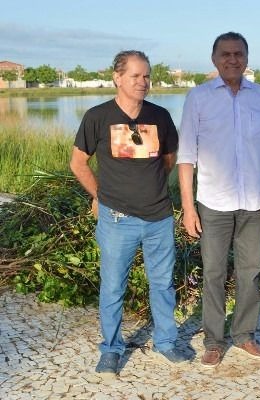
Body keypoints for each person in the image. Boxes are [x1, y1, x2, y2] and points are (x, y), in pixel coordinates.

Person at [69, 50, 188, 377]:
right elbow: (78, 163)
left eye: (146, 76)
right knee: (112, 288)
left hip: (159, 218)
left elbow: (168, 160)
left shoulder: (160, 116)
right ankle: (111, 349)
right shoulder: (97, 117)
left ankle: (166, 342)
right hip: (117, 220)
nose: (142, 82)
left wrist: (148, 187)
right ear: (117, 78)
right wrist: (101, 196)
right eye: (135, 76)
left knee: (162, 284)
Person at [177, 32, 260, 369]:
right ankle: (213, 341)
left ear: (247, 59)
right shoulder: (198, 98)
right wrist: (188, 207)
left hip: (254, 202)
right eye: (225, 54)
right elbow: (186, 157)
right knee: (213, 272)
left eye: (238, 54)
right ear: (214, 59)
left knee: (250, 271)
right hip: (213, 202)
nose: (232, 59)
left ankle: (244, 334)